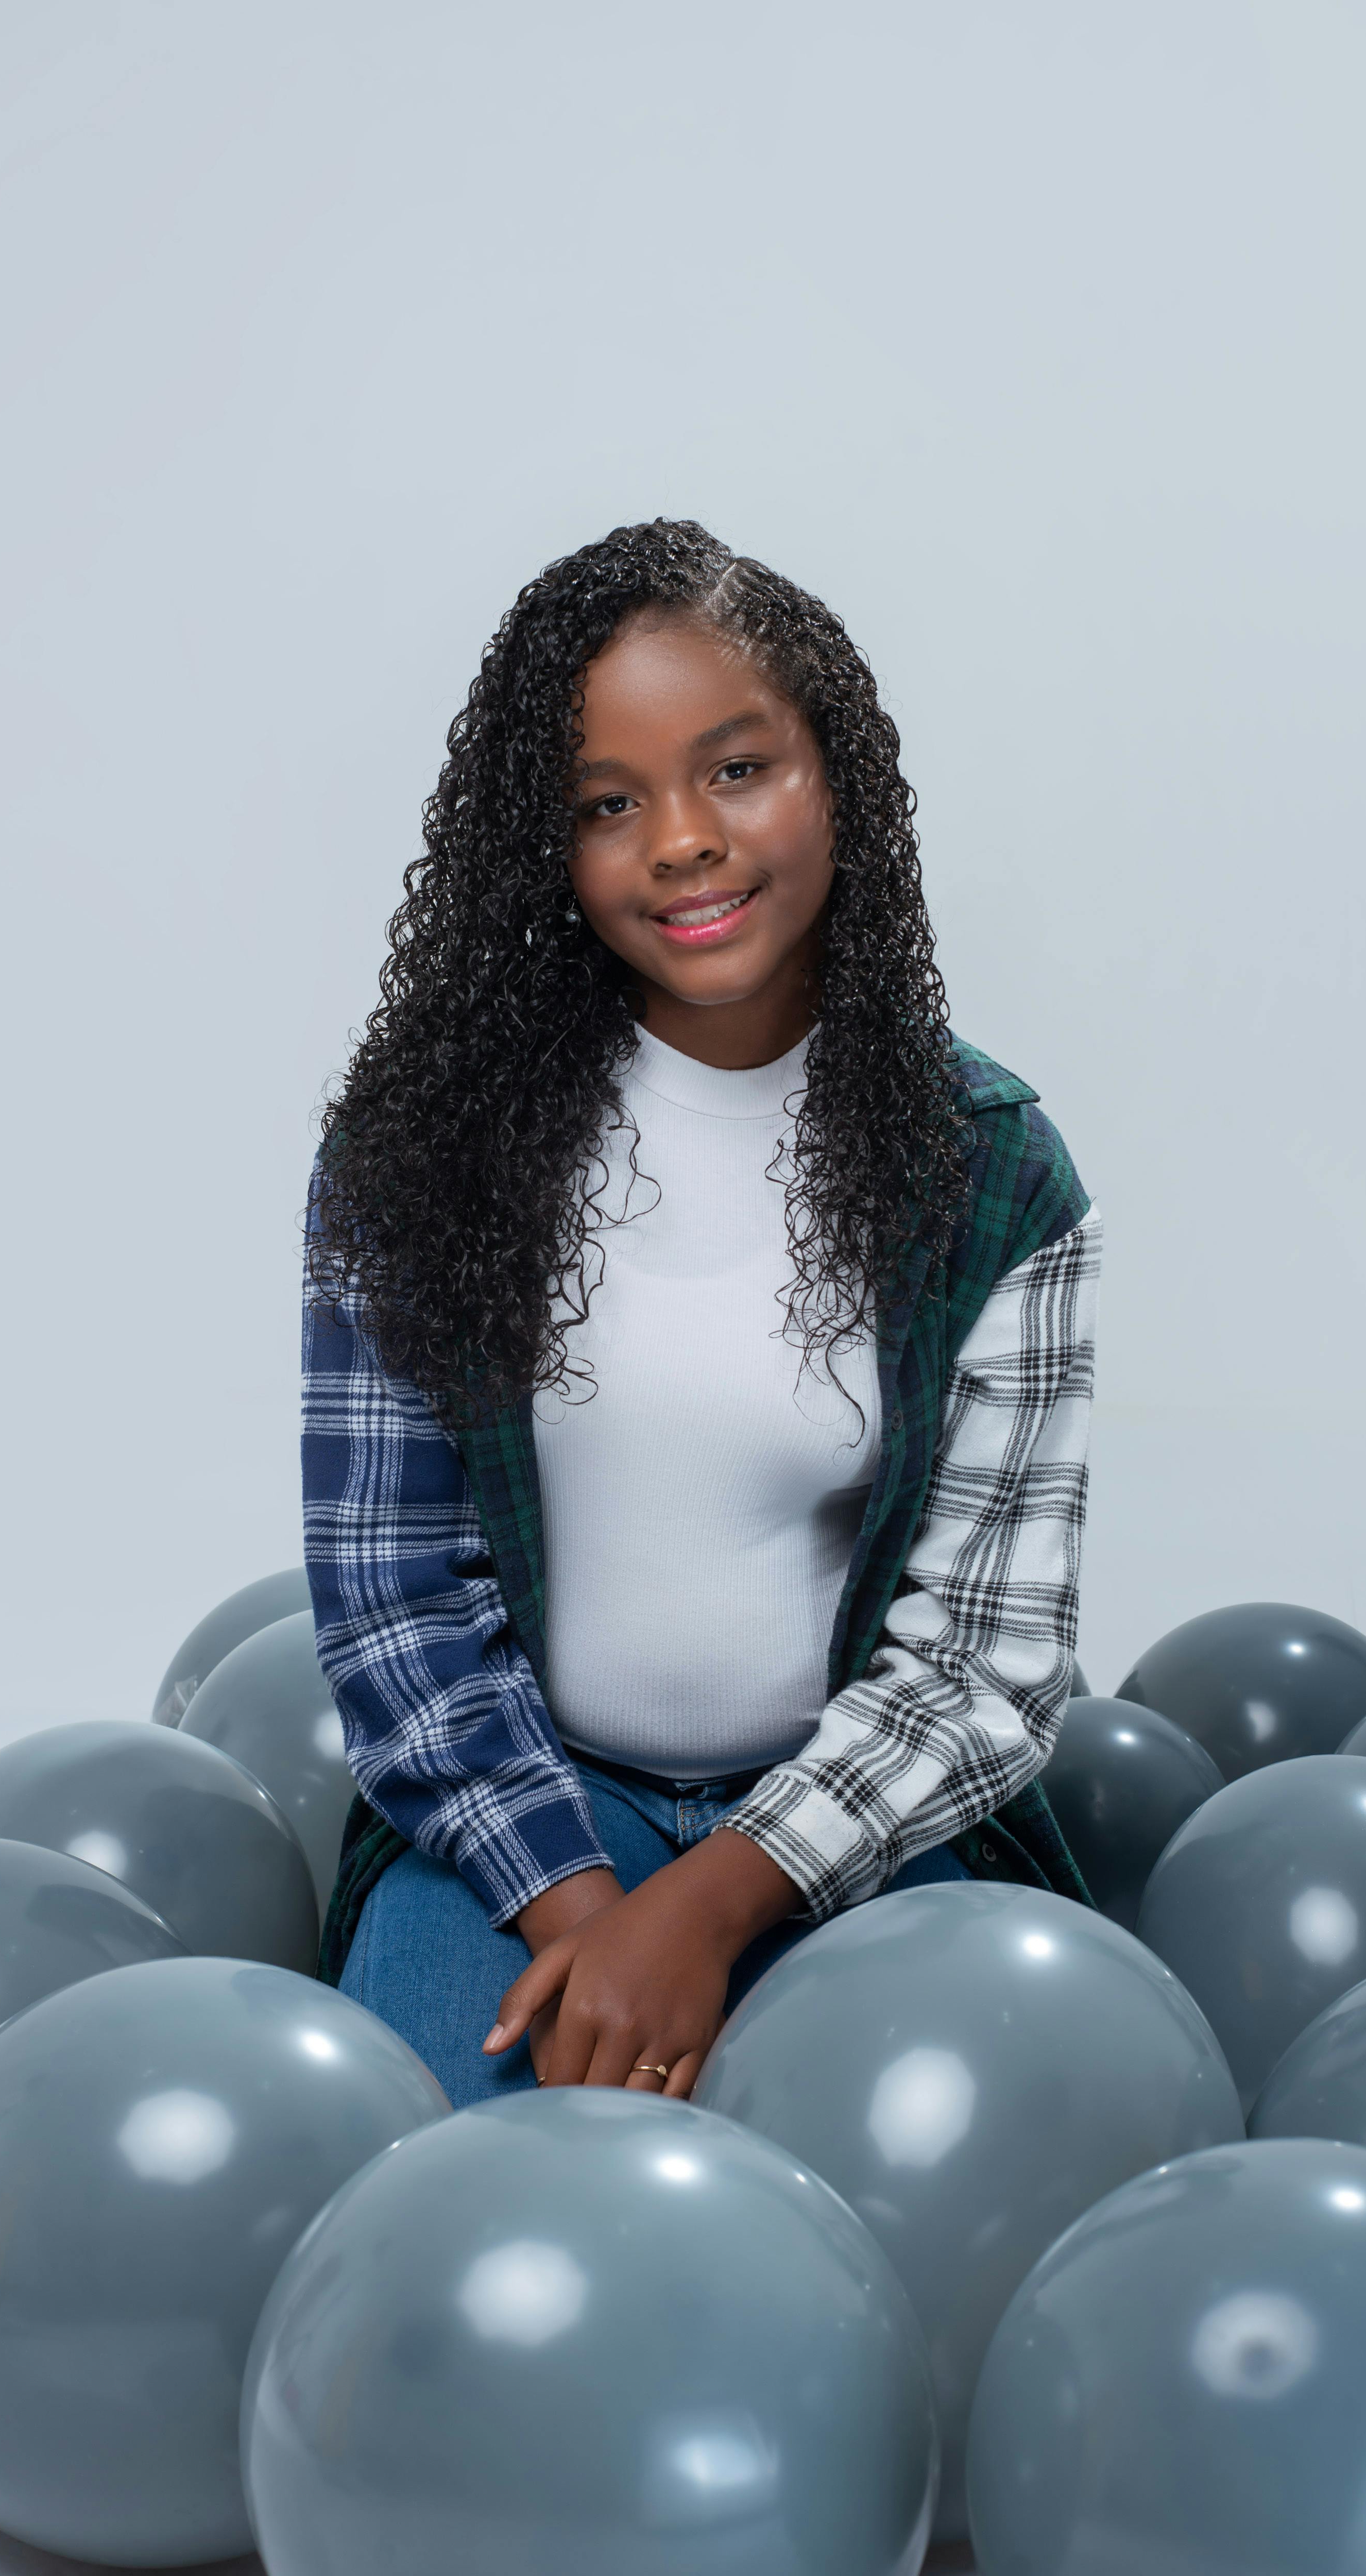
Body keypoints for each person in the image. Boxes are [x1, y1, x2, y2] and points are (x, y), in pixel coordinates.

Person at [303, 518, 1100, 2109]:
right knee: (438, 2203)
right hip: (521, 1823)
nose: (679, 840)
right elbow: (392, 1597)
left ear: (837, 782)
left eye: (736, 770)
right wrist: (596, 1921)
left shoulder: (994, 1169)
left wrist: (716, 1898)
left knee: (920, 2207)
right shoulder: (419, 1153)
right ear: (546, 849)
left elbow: (987, 1661)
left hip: (847, 1833)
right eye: (607, 804)